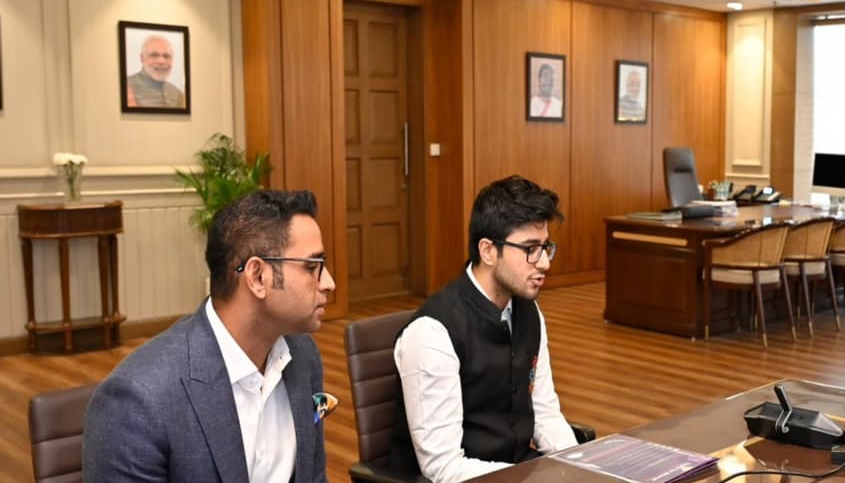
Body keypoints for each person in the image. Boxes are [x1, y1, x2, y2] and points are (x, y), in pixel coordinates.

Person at [83, 190, 336, 482]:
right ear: (257, 277)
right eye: (311, 267)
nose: (328, 282)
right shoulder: (138, 402)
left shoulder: (302, 355)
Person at [389, 175, 577, 482]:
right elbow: (443, 468)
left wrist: (580, 468)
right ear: (488, 251)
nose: (544, 263)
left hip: (515, 472)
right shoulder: (433, 332)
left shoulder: (528, 311)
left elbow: (545, 414)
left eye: (546, 247)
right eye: (530, 248)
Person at [126, 34, 187, 108]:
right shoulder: (126, 87)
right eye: (154, 55)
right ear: (142, 58)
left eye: (166, 56)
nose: (161, 61)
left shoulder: (178, 95)